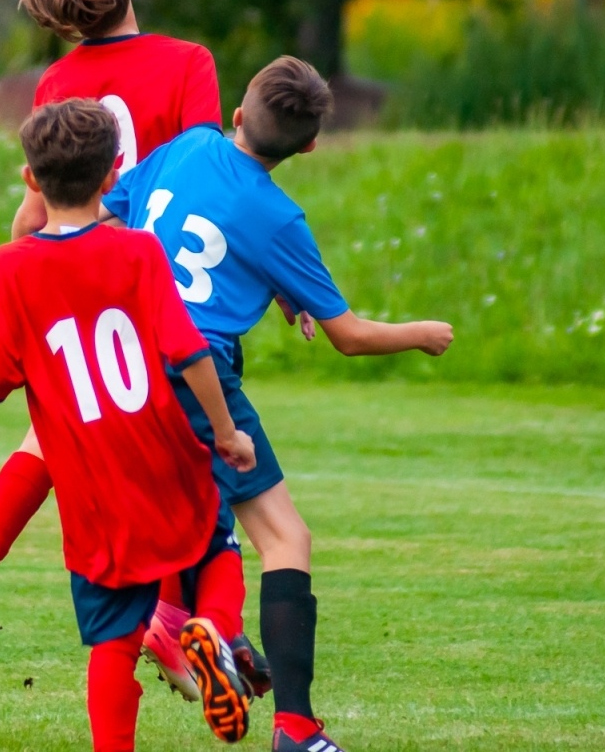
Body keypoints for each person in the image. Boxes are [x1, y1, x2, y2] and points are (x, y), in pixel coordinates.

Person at [0, 0, 263, 696]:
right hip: (161, 295)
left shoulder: (57, 83)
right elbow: (212, 179)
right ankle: (179, 627)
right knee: (186, 477)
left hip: (68, 293)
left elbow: (36, 210)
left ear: (63, 19)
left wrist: (22, 269)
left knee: (54, 446)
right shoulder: (188, 63)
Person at [101, 56, 455, 752]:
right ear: (311, 145)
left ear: (237, 112)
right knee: (285, 539)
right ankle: (294, 725)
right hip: (197, 373)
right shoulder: (278, 215)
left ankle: (192, 627)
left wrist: (275, 287)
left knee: (195, 516)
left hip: (127, 365)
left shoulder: (189, 145)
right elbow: (347, 337)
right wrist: (422, 335)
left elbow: (129, 223)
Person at [0, 99, 258, 749]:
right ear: (111, 180)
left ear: (30, 180)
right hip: (165, 455)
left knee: (113, 640)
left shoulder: (9, 266)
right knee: (217, 548)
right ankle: (210, 625)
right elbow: (190, 353)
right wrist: (225, 431)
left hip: (89, 482)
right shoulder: (139, 252)